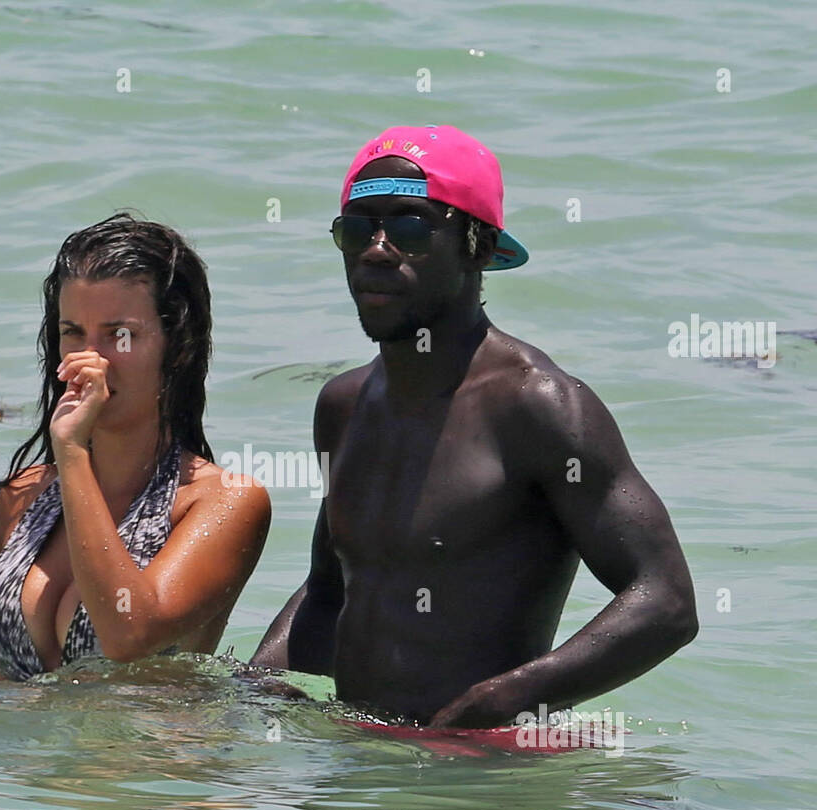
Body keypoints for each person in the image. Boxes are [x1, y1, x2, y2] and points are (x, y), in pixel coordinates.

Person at [252, 125, 697, 727]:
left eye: (410, 228)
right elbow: (331, 587)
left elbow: (665, 602)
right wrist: (258, 682)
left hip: (479, 775)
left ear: (479, 248)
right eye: (357, 229)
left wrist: (493, 706)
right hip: (357, 757)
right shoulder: (343, 405)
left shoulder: (539, 407)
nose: (377, 250)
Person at [0, 213, 271, 683]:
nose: (89, 359)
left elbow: (129, 635)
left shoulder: (223, 502)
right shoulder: (22, 497)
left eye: (119, 335)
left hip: (151, 757)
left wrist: (71, 452)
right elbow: (8, 688)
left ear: (177, 346)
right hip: (30, 757)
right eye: (73, 333)